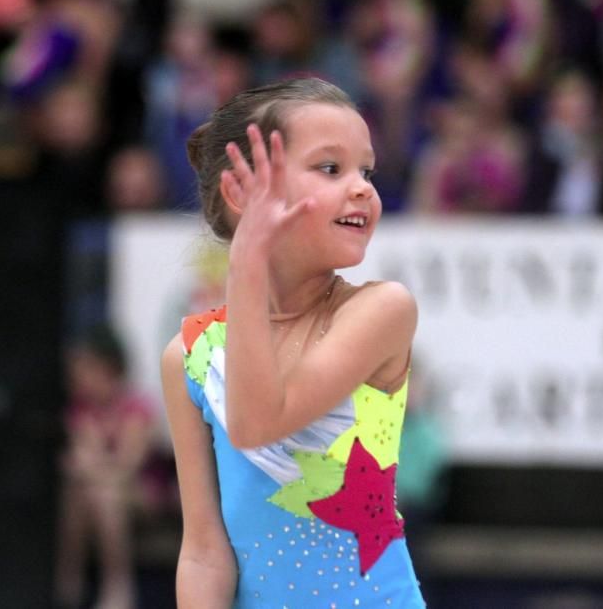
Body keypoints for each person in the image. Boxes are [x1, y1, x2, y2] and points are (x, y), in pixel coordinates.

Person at [161, 77, 425, 607]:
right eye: (331, 168)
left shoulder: (380, 310)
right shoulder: (191, 357)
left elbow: (259, 421)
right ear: (240, 192)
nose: (362, 188)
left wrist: (246, 267)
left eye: (366, 171)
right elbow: (205, 550)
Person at [55, 325, 156, 609]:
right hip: (95, 494)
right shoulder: (79, 409)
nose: (77, 376)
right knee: (86, 494)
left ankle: (116, 584)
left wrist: (92, 465)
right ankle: (70, 580)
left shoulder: (136, 406)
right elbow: (78, 460)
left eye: (85, 367)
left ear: (108, 366)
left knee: (102, 493)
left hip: (138, 492)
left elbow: (128, 465)